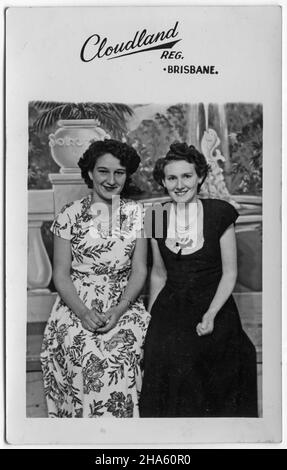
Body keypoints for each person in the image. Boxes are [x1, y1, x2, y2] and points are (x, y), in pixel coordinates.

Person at [139, 142, 258, 417]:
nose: (179, 184)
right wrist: (150, 321)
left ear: (200, 177)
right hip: (171, 307)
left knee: (228, 360)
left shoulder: (219, 212)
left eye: (187, 176)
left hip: (214, 304)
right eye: (172, 178)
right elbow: (159, 273)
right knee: (165, 363)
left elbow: (230, 273)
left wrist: (211, 314)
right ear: (163, 182)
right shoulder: (154, 215)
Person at [41, 139, 150, 418]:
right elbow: (61, 275)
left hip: (123, 300)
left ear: (127, 176)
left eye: (119, 172)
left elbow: (139, 270)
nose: (111, 180)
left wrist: (120, 308)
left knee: (125, 351)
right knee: (87, 353)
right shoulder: (69, 215)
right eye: (103, 171)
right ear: (90, 173)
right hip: (76, 301)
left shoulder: (138, 215)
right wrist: (83, 312)